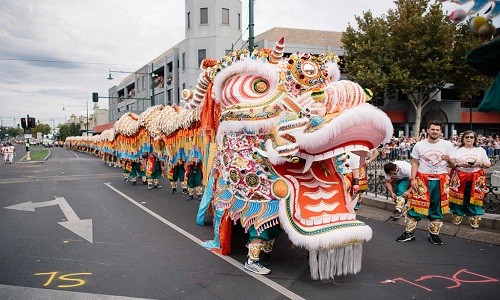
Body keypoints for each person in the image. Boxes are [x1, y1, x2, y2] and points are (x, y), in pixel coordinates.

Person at [396, 120, 456, 245]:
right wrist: (412, 179)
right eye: (432, 129)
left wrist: (449, 159)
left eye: (437, 130)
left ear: (441, 131)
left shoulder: (447, 145)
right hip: (422, 180)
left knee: (436, 207)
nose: (435, 132)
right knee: (416, 206)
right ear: (427, 130)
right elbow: (415, 162)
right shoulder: (419, 145)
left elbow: (453, 164)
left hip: (440, 180)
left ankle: (434, 234)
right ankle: (409, 233)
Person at [448, 130, 491, 229]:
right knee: (458, 200)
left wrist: (479, 163)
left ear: (475, 139)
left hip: (476, 177)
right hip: (460, 177)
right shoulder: (456, 149)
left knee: (474, 200)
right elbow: (450, 164)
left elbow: (488, 164)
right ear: (463, 138)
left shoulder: (480, 150)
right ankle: (456, 222)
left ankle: (474, 224)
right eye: (467, 137)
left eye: (471, 137)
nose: (469, 139)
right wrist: (459, 164)